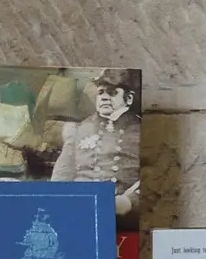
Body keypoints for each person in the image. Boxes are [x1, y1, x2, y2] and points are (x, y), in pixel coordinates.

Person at [48, 67, 142, 219]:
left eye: (112, 92)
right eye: (100, 92)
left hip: (118, 211)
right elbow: (63, 171)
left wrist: (130, 201)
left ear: (129, 98)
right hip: (77, 206)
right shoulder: (82, 127)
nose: (104, 97)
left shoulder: (139, 129)